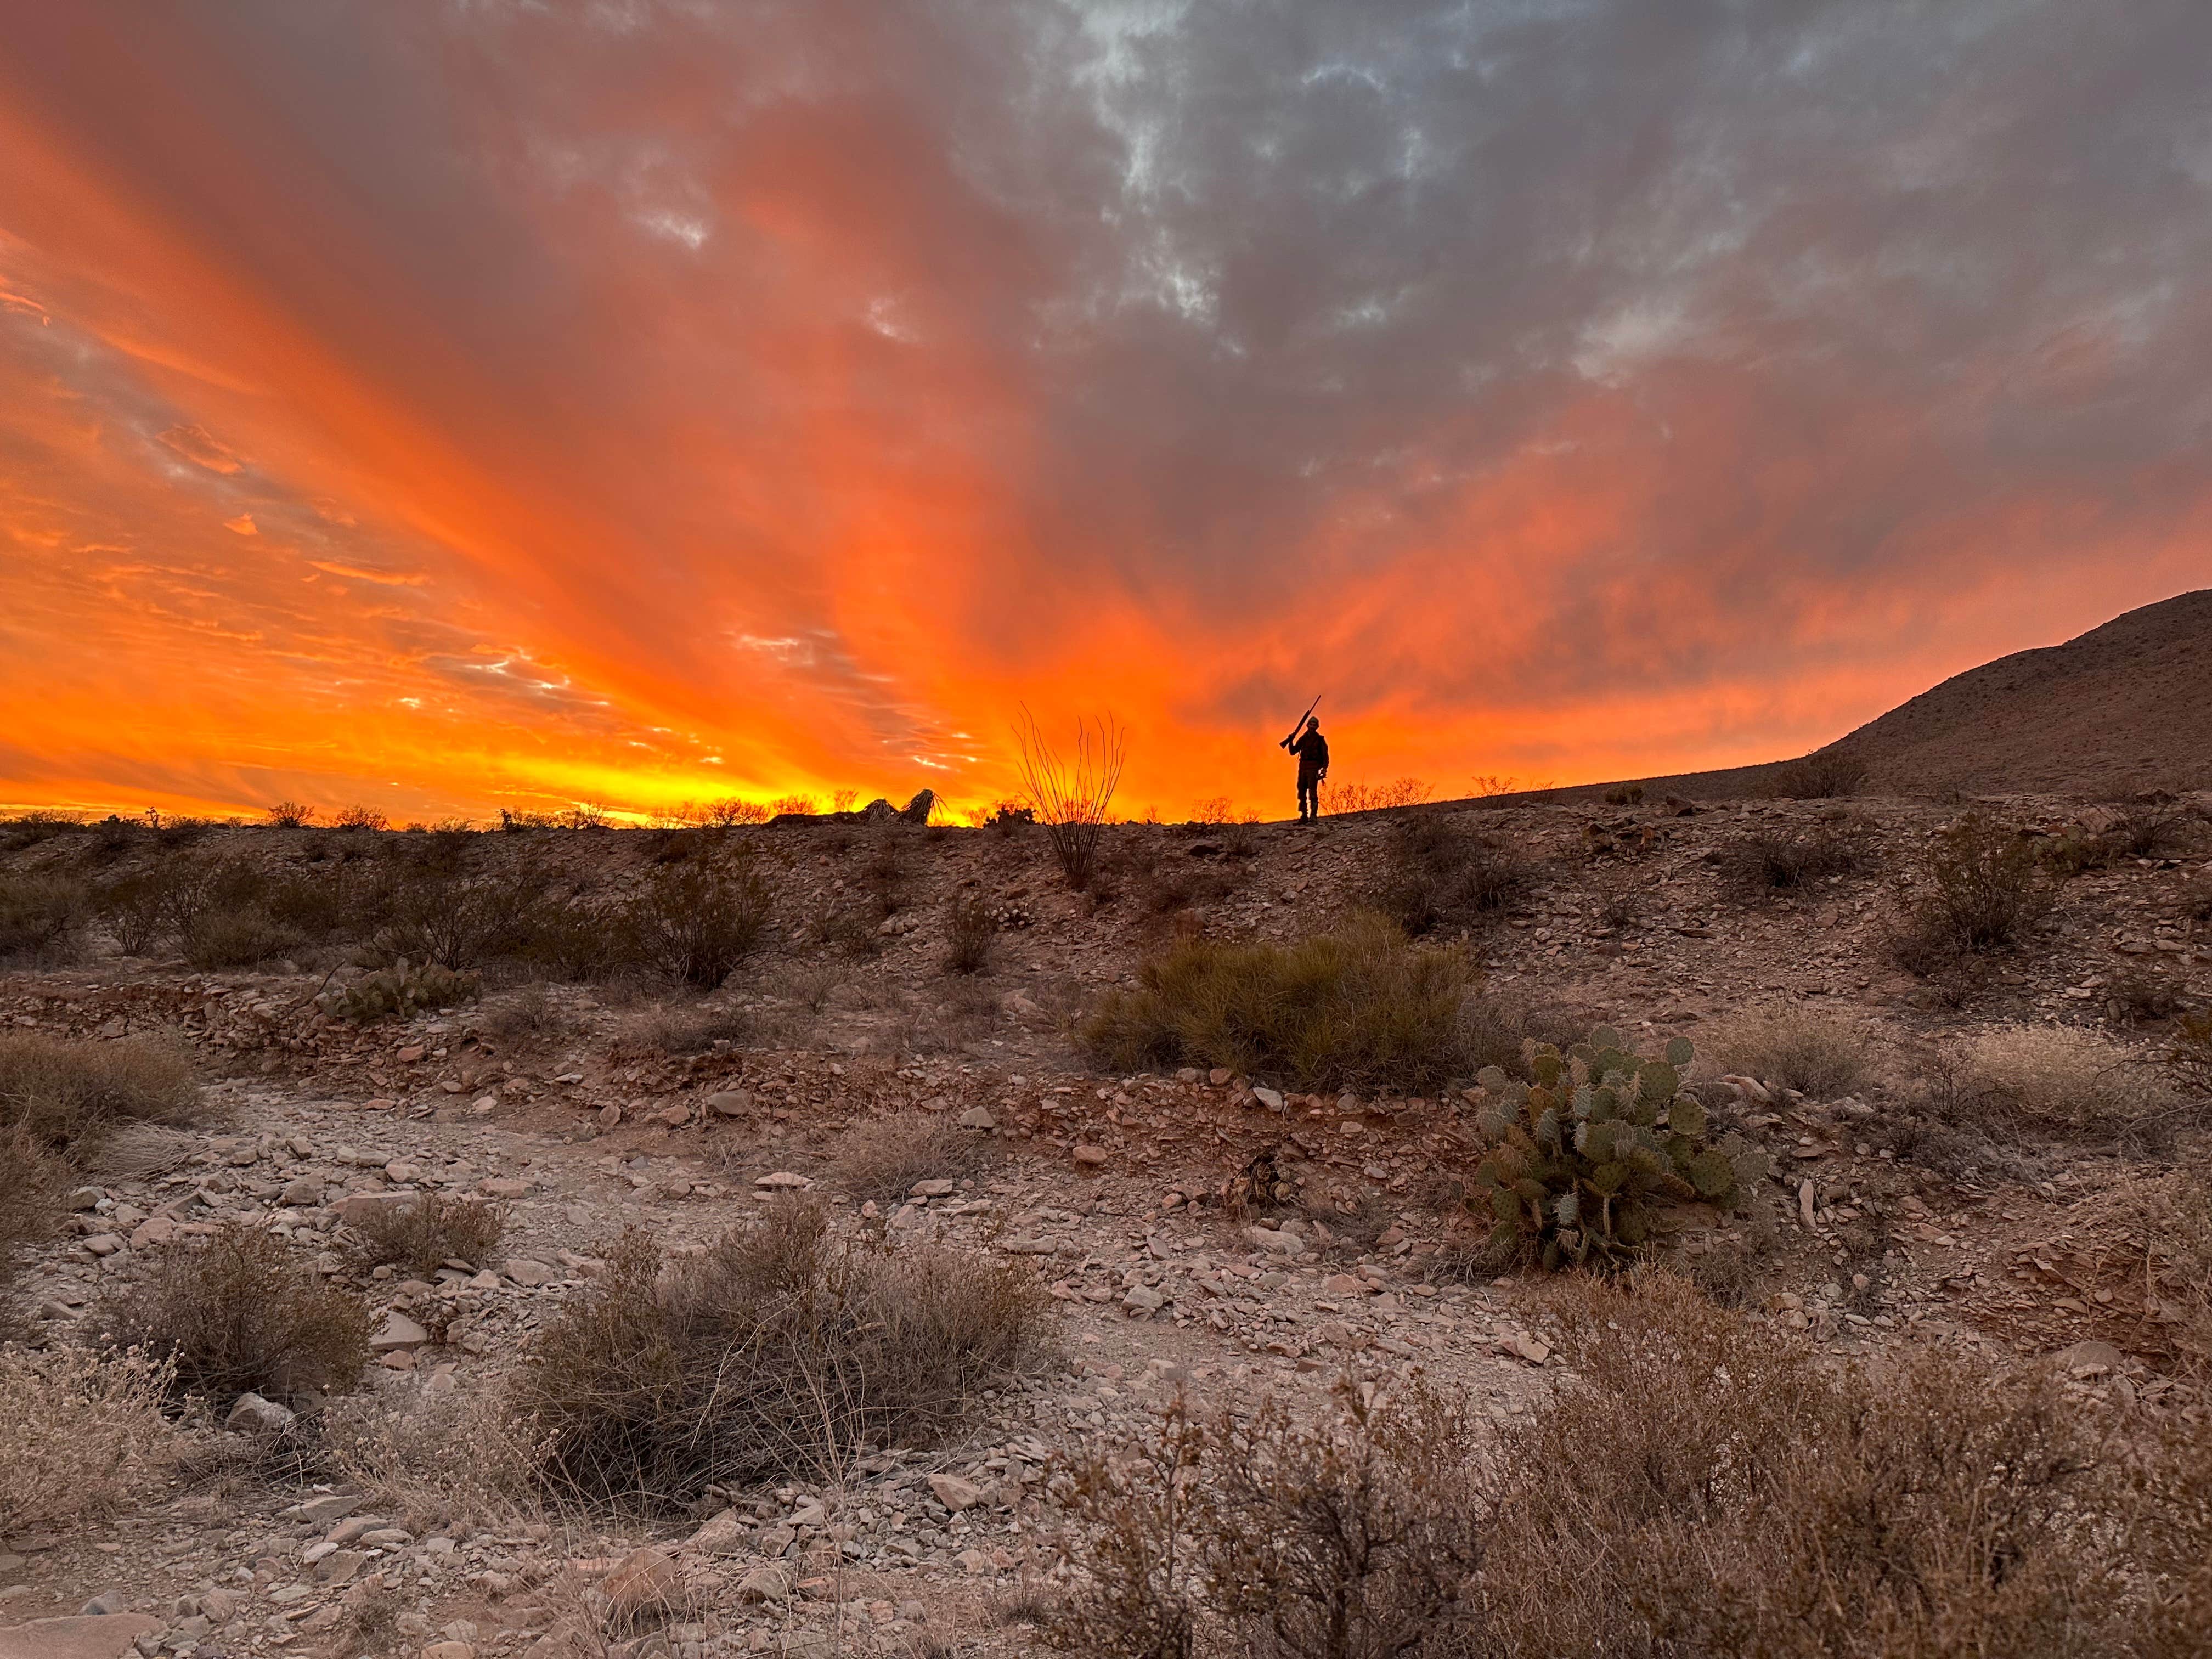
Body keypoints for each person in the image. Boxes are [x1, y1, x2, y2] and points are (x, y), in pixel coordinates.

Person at [1288, 715, 1328, 823]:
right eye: (1311, 724)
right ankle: (1304, 816)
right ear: (1308, 725)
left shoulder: (1320, 740)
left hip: (1313, 768)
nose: (1312, 727)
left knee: (1312, 794)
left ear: (1317, 727)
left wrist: (1324, 769)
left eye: (1314, 725)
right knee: (1301, 793)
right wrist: (1290, 741)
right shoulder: (1303, 739)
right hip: (1303, 768)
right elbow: (1293, 752)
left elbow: (1325, 756)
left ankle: (1313, 816)